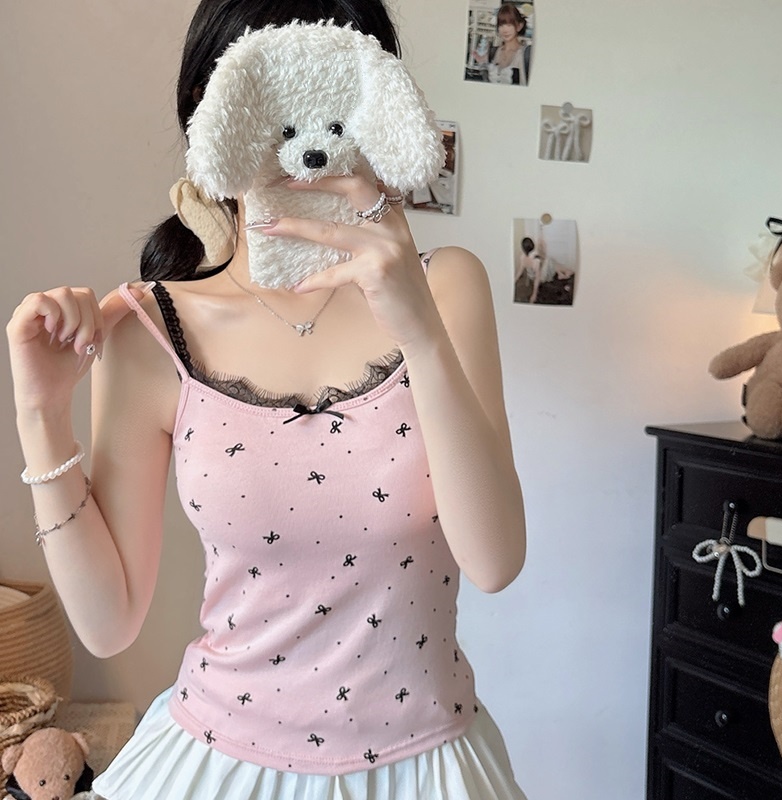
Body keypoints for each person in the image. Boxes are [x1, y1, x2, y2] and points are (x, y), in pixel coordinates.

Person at [6, 1, 528, 798]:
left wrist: (419, 328)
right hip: (216, 760)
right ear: (209, 111)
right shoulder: (149, 329)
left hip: (428, 763)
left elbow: (494, 561)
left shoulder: (447, 287)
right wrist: (42, 416)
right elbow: (109, 623)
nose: (303, 141)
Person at [473, 4, 531, 86]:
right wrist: (482, 65)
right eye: (501, 25)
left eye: (509, 25)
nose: (505, 30)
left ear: (519, 26)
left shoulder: (526, 54)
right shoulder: (493, 52)